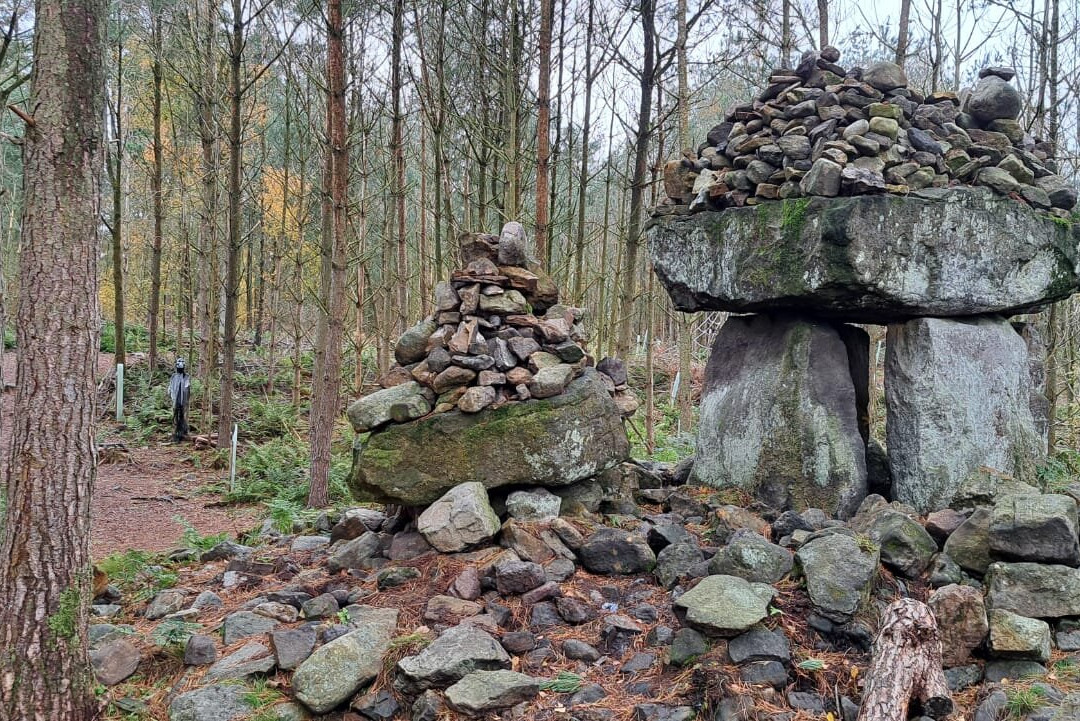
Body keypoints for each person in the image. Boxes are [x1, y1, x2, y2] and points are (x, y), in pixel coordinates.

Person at [168, 358, 191, 442]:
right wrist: (171, 395)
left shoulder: (186, 376)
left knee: (182, 416)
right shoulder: (174, 376)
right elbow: (171, 387)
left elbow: (187, 388)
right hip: (175, 401)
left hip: (183, 402)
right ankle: (176, 433)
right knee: (175, 417)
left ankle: (183, 433)